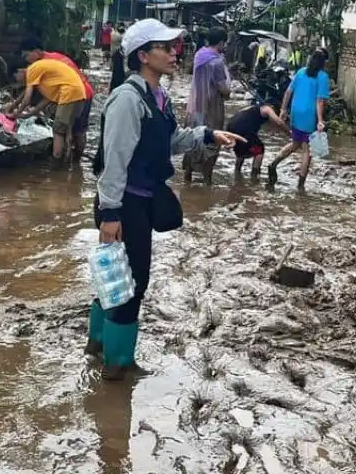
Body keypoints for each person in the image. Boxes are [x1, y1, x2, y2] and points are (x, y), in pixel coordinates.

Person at [88, 19, 244, 380]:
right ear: (143, 55)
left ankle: (97, 346)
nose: (175, 53)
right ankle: (117, 367)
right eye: (165, 47)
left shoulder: (155, 97)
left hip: (138, 201)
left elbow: (169, 140)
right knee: (131, 284)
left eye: (175, 46)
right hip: (124, 205)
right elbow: (114, 161)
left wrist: (207, 134)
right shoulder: (128, 99)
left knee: (116, 279)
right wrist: (111, 215)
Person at [3, 37, 90, 166]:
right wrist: (26, 114)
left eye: (27, 56)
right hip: (79, 92)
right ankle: (74, 165)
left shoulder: (34, 68)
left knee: (59, 130)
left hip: (72, 92)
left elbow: (27, 98)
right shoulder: (46, 69)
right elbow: (46, 99)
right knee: (70, 130)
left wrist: (15, 114)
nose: (27, 60)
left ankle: (56, 164)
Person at [269, 48, 330, 191]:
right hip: (310, 114)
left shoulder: (301, 72)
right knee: (307, 150)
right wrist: (320, 120)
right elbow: (320, 101)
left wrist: (283, 110)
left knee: (296, 143)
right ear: (324, 63)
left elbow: (289, 91)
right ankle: (301, 185)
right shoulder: (322, 77)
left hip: (296, 112)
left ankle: (274, 163)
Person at [183, 28, 231, 184]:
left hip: (195, 104)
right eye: (225, 43)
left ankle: (188, 176)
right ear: (221, 43)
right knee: (213, 141)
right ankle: (207, 180)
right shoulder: (216, 62)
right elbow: (224, 89)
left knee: (193, 139)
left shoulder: (199, 55)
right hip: (212, 107)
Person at [226, 97, 288, 179]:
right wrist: (290, 134)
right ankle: (255, 176)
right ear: (273, 107)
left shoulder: (254, 108)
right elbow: (279, 122)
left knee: (241, 153)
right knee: (259, 150)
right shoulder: (267, 108)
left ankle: (237, 175)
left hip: (231, 126)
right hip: (243, 128)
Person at [109, 23, 127, 93]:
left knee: (115, 72)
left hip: (115, 53)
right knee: (118, 72)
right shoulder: (118, 36)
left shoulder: (113, 33)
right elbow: (124, 38)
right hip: (118, 54)